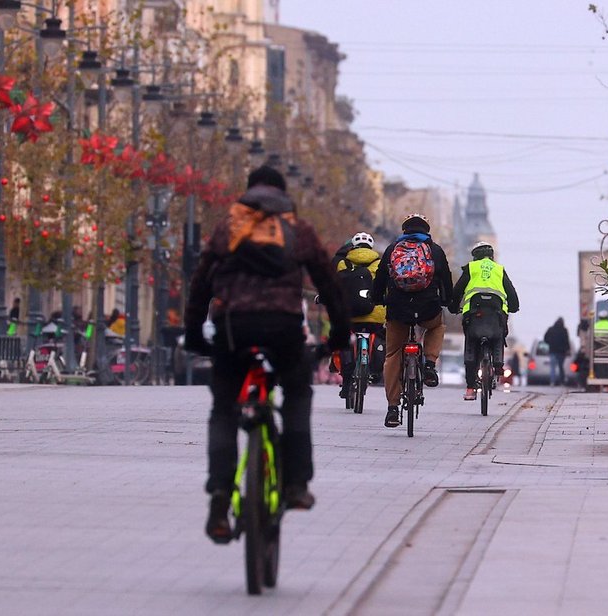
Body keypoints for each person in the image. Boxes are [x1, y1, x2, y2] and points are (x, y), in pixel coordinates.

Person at [184, 165, 351, 545]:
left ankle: (220, 496)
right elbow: (330, 285)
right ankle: (295, 484)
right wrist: (338, 336)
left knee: (224, 408)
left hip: (232, 328)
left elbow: (200, 285)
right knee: (296, 395)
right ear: (282, 194)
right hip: (283, 329)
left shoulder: (228, 227)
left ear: (248, 193)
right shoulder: (298, 229)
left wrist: (194, 335)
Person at [371, 213, 454, 427]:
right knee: (437, 326)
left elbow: (380, 279)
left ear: (404, 230)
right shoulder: (435, 250)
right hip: (428, 307)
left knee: (392, 354)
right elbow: (446, 279)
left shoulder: (391, 250)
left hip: (398, 309)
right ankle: (429, 365)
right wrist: (448, 301)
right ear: (426, 230)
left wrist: (376, 298)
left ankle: (392, 408)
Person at [449, 241, 520, 400]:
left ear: (474, 256)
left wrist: (453, 307)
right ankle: (498, 365)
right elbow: (511, 293)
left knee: (471, 345)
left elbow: (457, 291)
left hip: (474, 314)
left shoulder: (471, 268)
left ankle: (470, 389)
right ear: (492, 256)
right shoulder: (499, 270)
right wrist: (514, 307)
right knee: (499, 334)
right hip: (495, 313)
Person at [335, 231, 387, 399]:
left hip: (349, 315)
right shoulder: (380, 264)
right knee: (382, 335)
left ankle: (346, 379)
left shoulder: (343, 264)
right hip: (375, 315)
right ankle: (375, 371)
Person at [543, 317, 571, 387]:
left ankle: (552, 381)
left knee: (552, 367)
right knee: (561, 367)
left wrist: (550, 343)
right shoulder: (564, 330)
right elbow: (566, 340)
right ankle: (562, 381)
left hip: (552, 350)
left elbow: (545, 338)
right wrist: (567, 349)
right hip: (561, 352)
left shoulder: (551, 329)